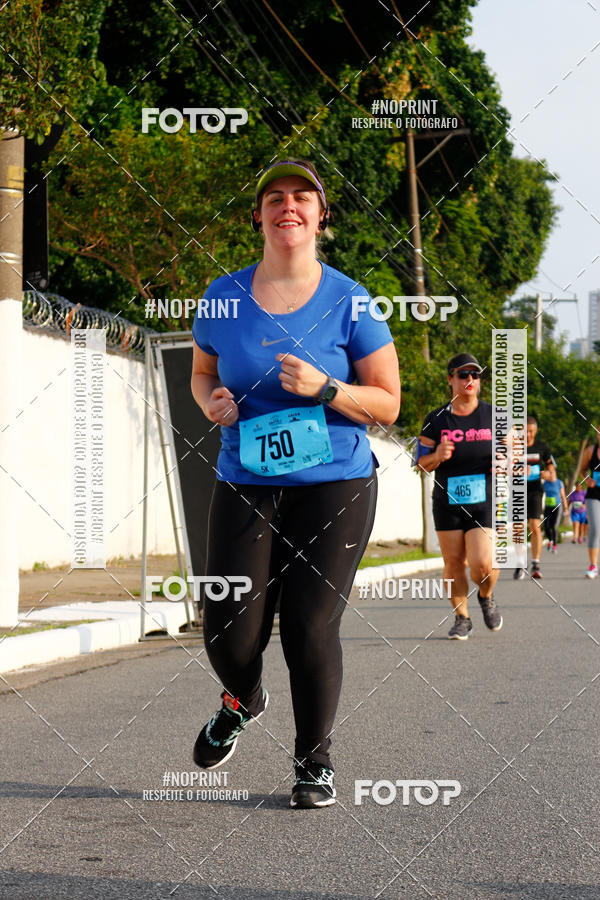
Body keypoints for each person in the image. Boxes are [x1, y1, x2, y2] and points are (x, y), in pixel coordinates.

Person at [190, 159, 401, 809]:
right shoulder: (222, 297)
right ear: (257, 215)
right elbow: (202, 373)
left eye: (302, 197)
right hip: (247, 480)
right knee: (227, 629)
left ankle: (314, 762)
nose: (288, 205)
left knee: (309, 627)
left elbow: (389, 404)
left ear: (320, 216)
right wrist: (212, 404)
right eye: (274, 197)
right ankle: (243, 700)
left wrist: (327, 388)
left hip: (333, 482)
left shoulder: (350, 301)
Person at [416, 353, 502, 640]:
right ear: (450, 379)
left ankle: (486, 597)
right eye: (463, 374)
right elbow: (419, 464)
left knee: (483, 565)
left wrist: (505, 461)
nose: (469, 380)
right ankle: (462, 617)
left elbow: (513, 453)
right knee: (454, 563)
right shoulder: (436, 419)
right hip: (447, 500)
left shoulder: (494, 415)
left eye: (475, 375)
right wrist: (437, 457)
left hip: (483, 500)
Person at [514, 417, 555, 580]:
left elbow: (551, 469)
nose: (528, 434)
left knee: (534, 525)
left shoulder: (542, 448)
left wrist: (548, 473)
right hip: (517, 490)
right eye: (525, 431)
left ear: (535, 431)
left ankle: (535, 563)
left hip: (535, 491)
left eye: (531, 431)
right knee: (518, 527)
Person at [580, 431, 600, 578]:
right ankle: (593, 566)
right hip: (594, 495)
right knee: (595, 529)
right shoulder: (590, 451)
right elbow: (583, 470)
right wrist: (587, 480)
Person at [542, 472, 567, 552]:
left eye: (553, 474)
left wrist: (566, 508)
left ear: (555, 474)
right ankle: (550, 540)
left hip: (557, 507)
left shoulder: (559, 483)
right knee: (546, 526)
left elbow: (563, 496)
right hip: (548, 507)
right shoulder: (545, 483)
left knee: (554, 526)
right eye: (550, 474)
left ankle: (555, 545)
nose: (551, 475)